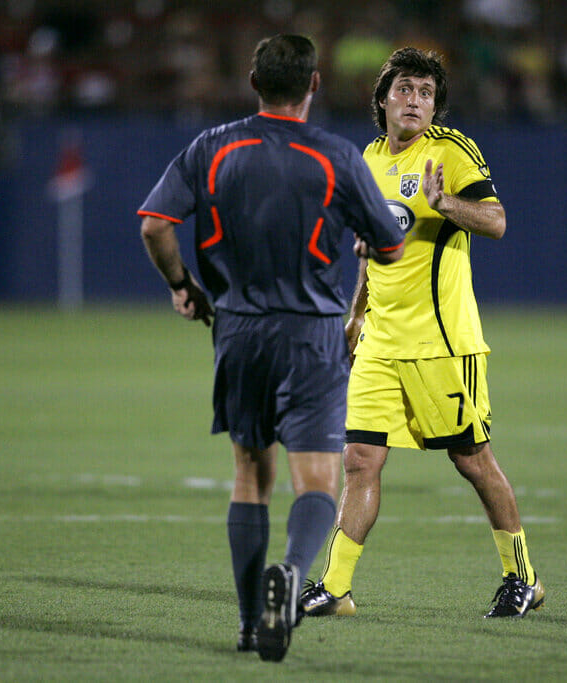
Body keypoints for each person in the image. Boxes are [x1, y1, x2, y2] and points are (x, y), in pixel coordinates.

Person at [138, 35, 405, 662]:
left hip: (238, 329)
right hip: (312, 333)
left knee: (249, 477)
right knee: (313, 478)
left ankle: (247, 620)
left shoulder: (213, 147)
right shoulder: (337, 155)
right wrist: (368, 241)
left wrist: (184, 286)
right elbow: (390, 245)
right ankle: (292, 570)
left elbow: (154, 224)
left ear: (253, 82)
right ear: (314, 85)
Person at [300, 47, 544, 620]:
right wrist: (355, 312)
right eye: (405, 90)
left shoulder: (450, 152)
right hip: (381, 339)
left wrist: (445, 204)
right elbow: (369, 246)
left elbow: (499, 221)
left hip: (441, 341)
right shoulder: (368, 158)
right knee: (359, 459)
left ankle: (522, 577)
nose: (416, 101)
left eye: (426, 93)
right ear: (382, 99)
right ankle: (336, 589)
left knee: (472, 460)